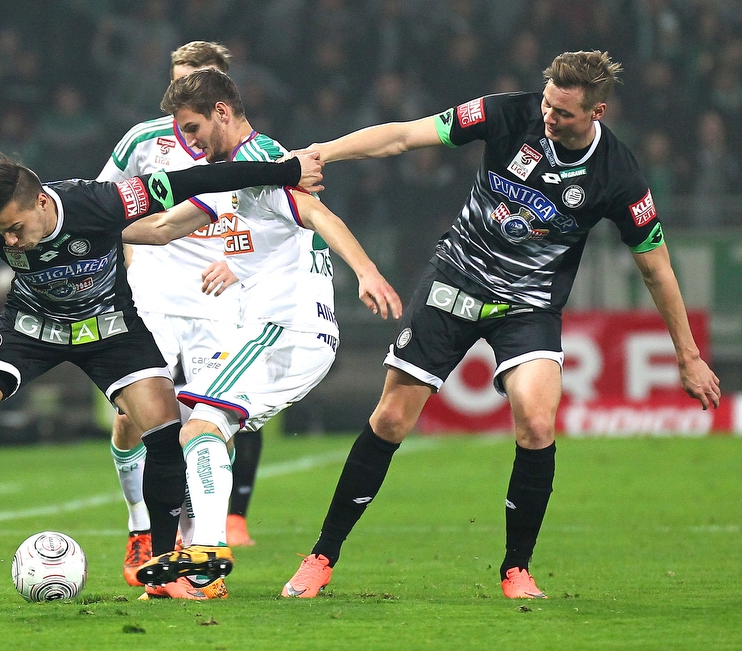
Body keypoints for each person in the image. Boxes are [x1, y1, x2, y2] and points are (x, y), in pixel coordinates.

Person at [280, 50, 721, 600]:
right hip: (456, 280)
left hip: (528, 305)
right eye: (547, 103)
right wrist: (323, 153)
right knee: (392, 418)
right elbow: (406, 136)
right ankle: (321, 557)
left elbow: (655, 266)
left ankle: (517, 570)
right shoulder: (506, 114)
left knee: (537, 424)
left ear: (597, 112)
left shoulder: (620, 175)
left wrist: (687, 354)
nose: (549, 117)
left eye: (563, 112)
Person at [0, 149, 323, 576]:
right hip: (29, 328)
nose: (10, 242)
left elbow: (194, 181)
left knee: (164, 433)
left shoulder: (103, 202)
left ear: (42, 202)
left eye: (16, 229)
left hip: (109, 330)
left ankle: (156, 561)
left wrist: (285, 171)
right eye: (2, 232)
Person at [123, 68, 402, 600]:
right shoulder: (229, 173)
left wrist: (365, 270)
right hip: (283, 332)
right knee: (191, 425)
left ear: (222, 113)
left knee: (197, 426)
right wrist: (86, 227)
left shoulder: (260, 165)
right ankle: (194, 560)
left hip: (285, 328)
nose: (187, 141)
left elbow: (316, 213)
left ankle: (204, 556)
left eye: (192, 126)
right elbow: (163, 228)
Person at [96, 41, 264, 588]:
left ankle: (198, 552)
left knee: (212, 427)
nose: (183, 91)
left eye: (198, 78)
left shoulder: (249, 151)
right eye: (178, 79)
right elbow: (103, 206)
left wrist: (241, 264)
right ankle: (141, 526)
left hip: (220, 309)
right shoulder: (144, 140)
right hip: (153, 302)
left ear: (222, 91)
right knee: (135, 419)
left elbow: (277, 225)